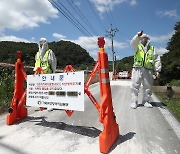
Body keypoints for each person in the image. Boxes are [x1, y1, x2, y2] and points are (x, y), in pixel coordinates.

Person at [130, 31, 161, 109]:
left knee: (148, 86)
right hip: (137, 68)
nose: (144, 39)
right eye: (143, 38)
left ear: (148, 39)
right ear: (140, 39)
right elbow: (133, 43)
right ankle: (134, 102)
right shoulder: (137, 46)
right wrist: (137, 36)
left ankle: (146, 101)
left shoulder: (152, 49)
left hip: (148, 69)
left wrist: (157, 70)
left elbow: (157, 59)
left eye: (146, 38)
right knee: (134, 85)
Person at [34, 38, 57, 111]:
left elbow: (53, 62)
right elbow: (36, 63)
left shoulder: (49, 52)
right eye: (40, 42)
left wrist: (53, 72)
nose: (41, 43)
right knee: (41, 90)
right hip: (39, 75)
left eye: (43, 42)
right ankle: (41, 104)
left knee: (49, 90)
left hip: (48, 74)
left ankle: (50, 104)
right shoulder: (37, 54)